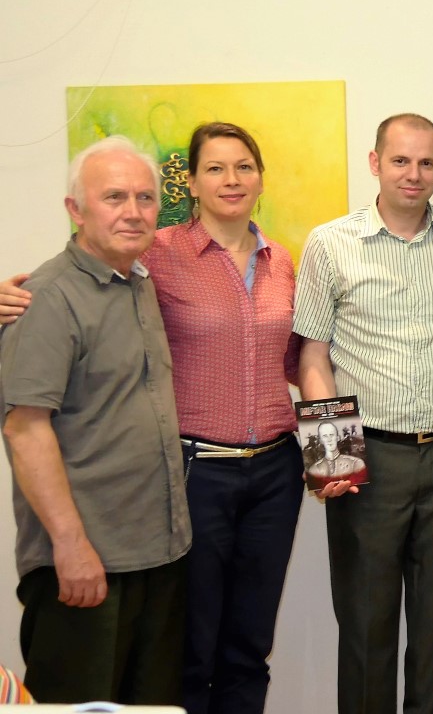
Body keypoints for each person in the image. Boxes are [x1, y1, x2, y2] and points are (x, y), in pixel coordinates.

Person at [0, 122, 309, 714]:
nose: (231, 179)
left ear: (261, 179)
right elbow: (26, 418)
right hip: (191, 478)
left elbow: (301, 360)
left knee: (236, 652)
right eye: (214, 168)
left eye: (244, 166)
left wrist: (333, 455)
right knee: (173, 660)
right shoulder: (151, 257)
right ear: (190, 183)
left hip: (259, 481)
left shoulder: (274, 262)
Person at [294, 113, 433, 714]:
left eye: (426, 162)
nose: (414, 174)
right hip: (364, 453)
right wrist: (329, 459)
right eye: (400, 161)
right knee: (366, 621)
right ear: (375, 163)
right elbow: (313, 354)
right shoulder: (329, 243)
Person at [0, 136, 191, 704]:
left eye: (144, 198)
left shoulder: (139, 284)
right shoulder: (48, 299)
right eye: (113, 197)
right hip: (86, 563)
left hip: (157, 553)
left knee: (150, 707)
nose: (133, 212)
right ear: (75, 209)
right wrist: (71, 546)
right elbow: (24, 430)